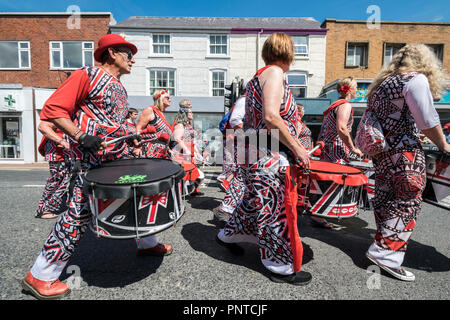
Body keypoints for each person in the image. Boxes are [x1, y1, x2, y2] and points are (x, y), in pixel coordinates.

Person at [21, 34, 169, 300]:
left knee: (136, 199)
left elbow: (111, 121)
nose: (132, 59)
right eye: (128, 53)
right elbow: (53, 109)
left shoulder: (119, 87)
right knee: (77, 215)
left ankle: (147, 242)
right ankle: (40, 275)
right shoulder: (86, 74)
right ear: (111, 53)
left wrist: (130, 133)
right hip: (91, 162)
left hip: (115, 158)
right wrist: (80, 136)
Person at [216, 33, 312, 285]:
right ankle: (280, 266)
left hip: (256, 151)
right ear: (288, 52)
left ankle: (227, 235)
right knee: (274, 208)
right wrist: (298, 148)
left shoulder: (257, 77)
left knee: (253, 201)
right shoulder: (275, 73)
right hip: (267, 153)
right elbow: (271, 117)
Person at [365, 43, 450, 281]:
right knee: (408, 198)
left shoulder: (383, 84)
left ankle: (382, 244)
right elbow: (427, 118)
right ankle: (386, 253)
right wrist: (444, 144)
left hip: (381, 152)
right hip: (404, 153)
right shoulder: (415, 79)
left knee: (385, 196)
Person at [214, 80, 248, 222]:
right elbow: (235, 120)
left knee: (243, 175)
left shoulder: (247, 101)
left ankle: (229, 208)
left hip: (245, 142)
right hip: (243, 141)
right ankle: (226, 208)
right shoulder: (245, 100)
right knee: (241, 174)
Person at [318, 77, 363, 164]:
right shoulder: (345, 105)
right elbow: (342, 128)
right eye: (356, 87)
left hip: (327, 152)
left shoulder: (334, 105)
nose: (357, 90)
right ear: (349, 90)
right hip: (336, 152)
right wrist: (353, 149)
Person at [35, 120, 72, 219]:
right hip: (58, 152)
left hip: (66, 152)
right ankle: (44, 210)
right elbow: (43, 127)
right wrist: (61, 141)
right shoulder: (60, 112)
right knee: (57, 181)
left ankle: (50, 207)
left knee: (66, 180)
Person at [171, 99, 205, 195]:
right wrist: (186, 150)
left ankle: (188, 192)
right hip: (181, 154)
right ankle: (182, 194)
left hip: (188, 154)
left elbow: (191, 140)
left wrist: (197, 153)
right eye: (190, 112)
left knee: (193, 175)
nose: (192, 113)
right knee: (187, 176)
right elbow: (177, 138)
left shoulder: (187, 124)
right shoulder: (180, 124)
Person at [134, 89, 173, 159]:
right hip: (149, 152)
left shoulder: (162, 114)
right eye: (167, 98)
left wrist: (168, 149)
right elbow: (138, 129)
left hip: (162, 153)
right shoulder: (149, 110)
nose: (170, 100)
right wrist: (138, 147)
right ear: (160, 98)